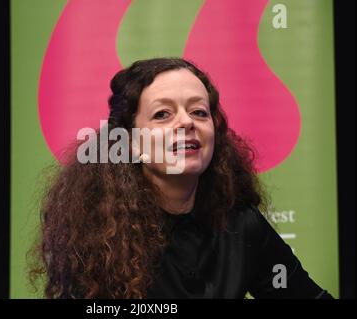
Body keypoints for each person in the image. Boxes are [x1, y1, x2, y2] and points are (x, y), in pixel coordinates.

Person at [30, 57, 333, 299]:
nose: (186, 122)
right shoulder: (102, 237)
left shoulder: (242, 224)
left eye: (199, 113)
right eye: (163, 114)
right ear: (132, 144)